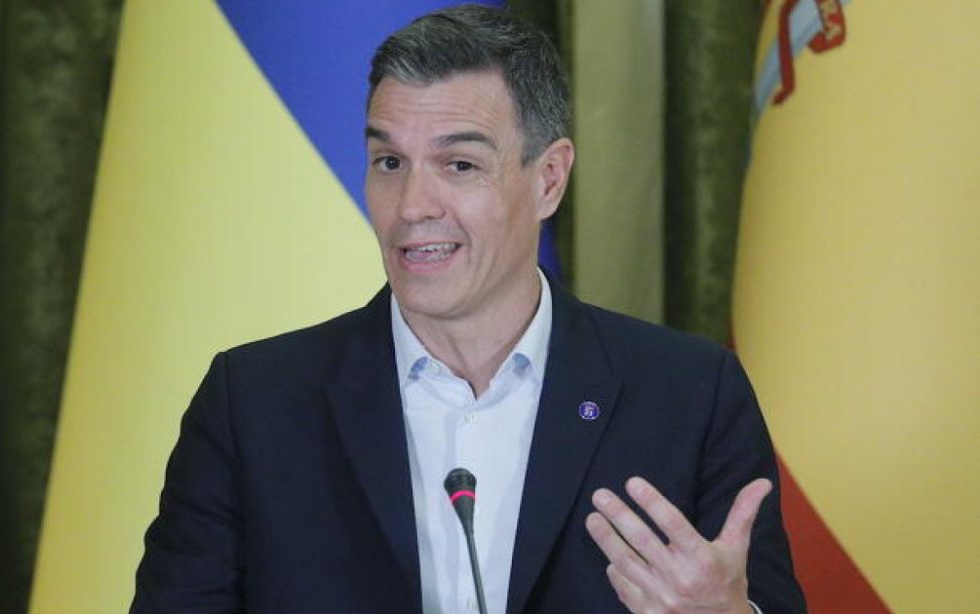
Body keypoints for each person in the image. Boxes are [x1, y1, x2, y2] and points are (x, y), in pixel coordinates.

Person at [131, 5, 804, 613]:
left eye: (458, 165)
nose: (412, 206)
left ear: (548, 179)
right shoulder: (254, 406)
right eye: (389, 162)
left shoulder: (690, 397)